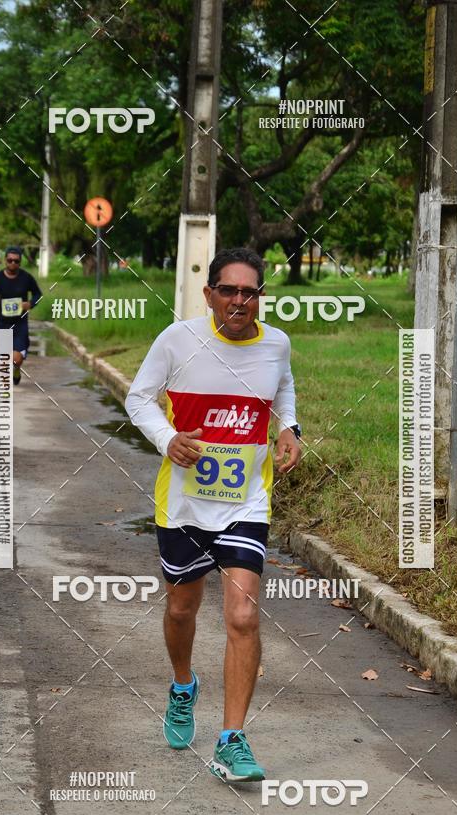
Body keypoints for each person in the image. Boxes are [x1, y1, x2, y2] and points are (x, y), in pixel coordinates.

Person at [125, 247, 301, 782]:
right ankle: (183, 685)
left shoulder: (277, 344)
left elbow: (284, 388)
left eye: (251, 292)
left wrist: (289, 427)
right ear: (210, 295)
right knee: (183, 609)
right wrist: (168, 438)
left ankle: (231, 740)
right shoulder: (178, 341)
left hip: (246, 501)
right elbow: (138, 399)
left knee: (243, 616)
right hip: (182, 505)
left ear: (260, 298)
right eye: (229, 290)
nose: (240, 301)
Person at [0, 246, 42, 385]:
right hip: (3, 322)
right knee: (3, 357)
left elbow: (38, 295)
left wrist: (30, 303)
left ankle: (16, 369)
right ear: (5, 261)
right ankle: (4, 386)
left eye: (16, 261)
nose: (13, 263)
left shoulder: (26, 278)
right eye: (10, 260)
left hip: (20, 323)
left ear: (20, 262)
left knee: (16, 358)